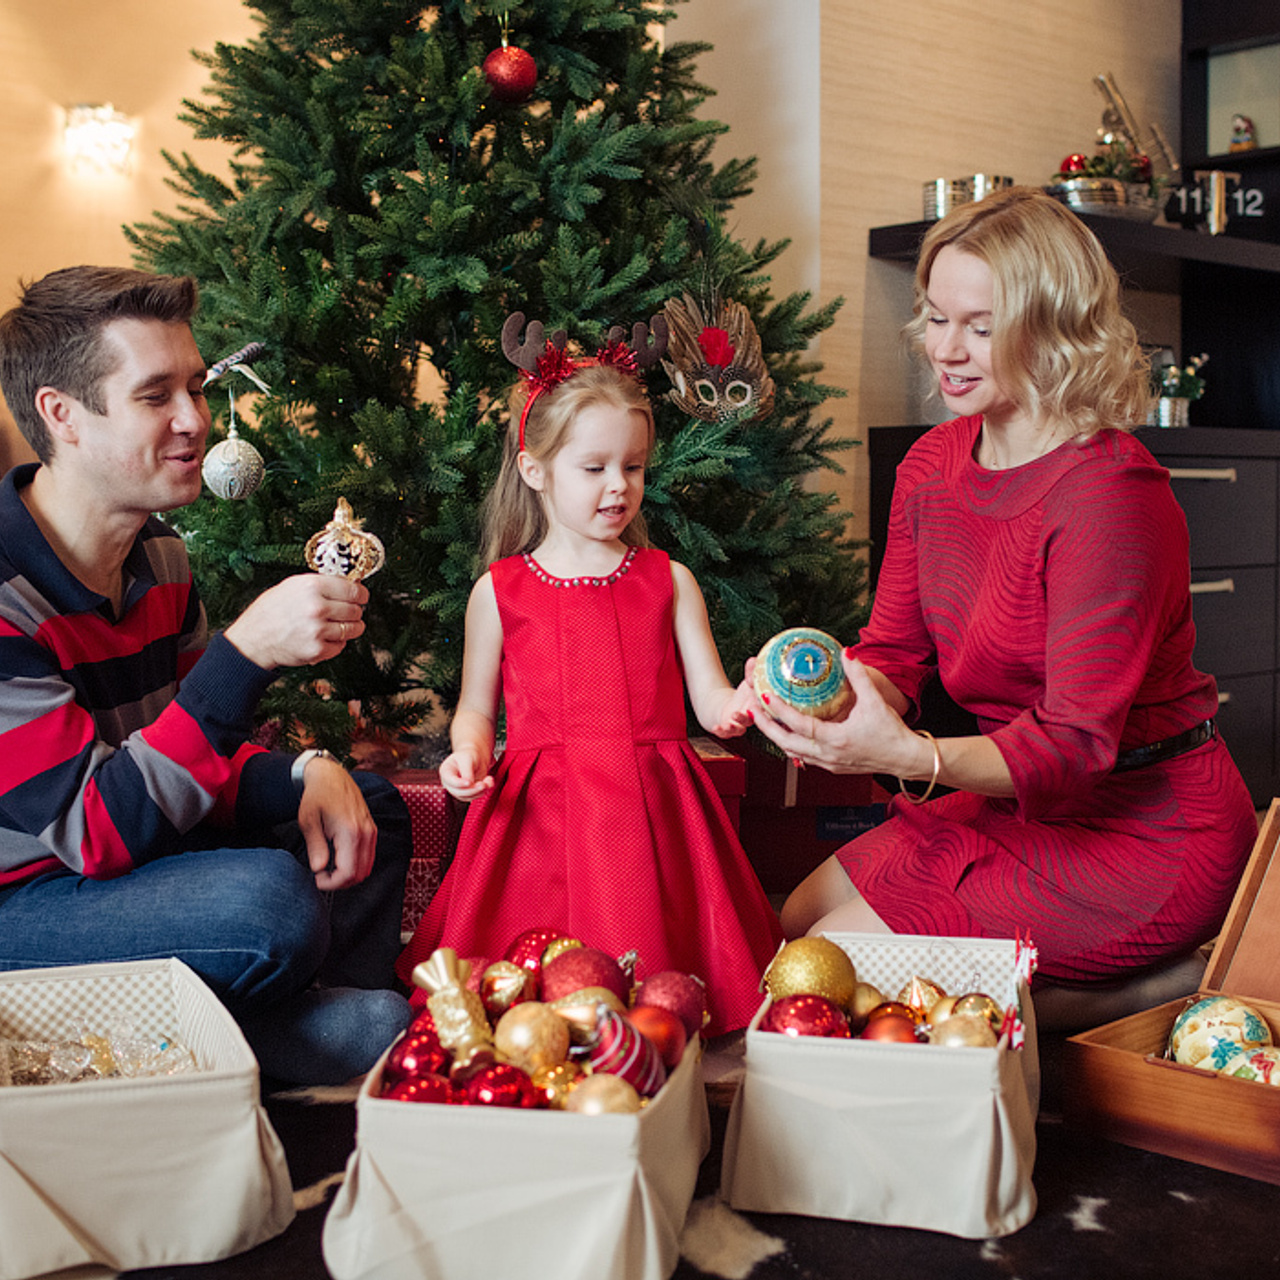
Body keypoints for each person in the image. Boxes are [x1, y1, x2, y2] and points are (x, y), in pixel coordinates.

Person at [747, 187, 1257, 1024]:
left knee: (839, 979)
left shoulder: (1109, 497)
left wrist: (909, 755)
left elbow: (1072, 744)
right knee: (796, 932)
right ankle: (1089, 992)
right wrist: (809, 696)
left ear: (1055, 330)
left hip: (1145, 832)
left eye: (980, 327)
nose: (944, 350)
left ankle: (1160, 986)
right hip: (1014, 804)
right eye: (936, 317)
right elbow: (894, 656)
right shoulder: (931, 464)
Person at [0, 265, 413, 1084]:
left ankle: (315, 1035)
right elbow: (95, 831)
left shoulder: (159, 555)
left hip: (128, 862)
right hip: (29, 907)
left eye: (198, 386)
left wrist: (304, 770)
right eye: (157, 396)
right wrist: (245, 653)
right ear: (63, 415)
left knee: (366, 806)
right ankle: (289, 1040)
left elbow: (188, 764)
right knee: (262, 906)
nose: (196, 420)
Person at [396, 324, 782, 1035]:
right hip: (540, 811)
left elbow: (711, 697)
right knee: (531, 969)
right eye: (594, 467)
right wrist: (468, 755)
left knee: (656, 964)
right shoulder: (501, 591)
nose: (618, 486)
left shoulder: (669, 580)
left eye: (632, 467)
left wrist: (740, 706)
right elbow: (476, 710)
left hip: (653, 804)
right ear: (535, 469)